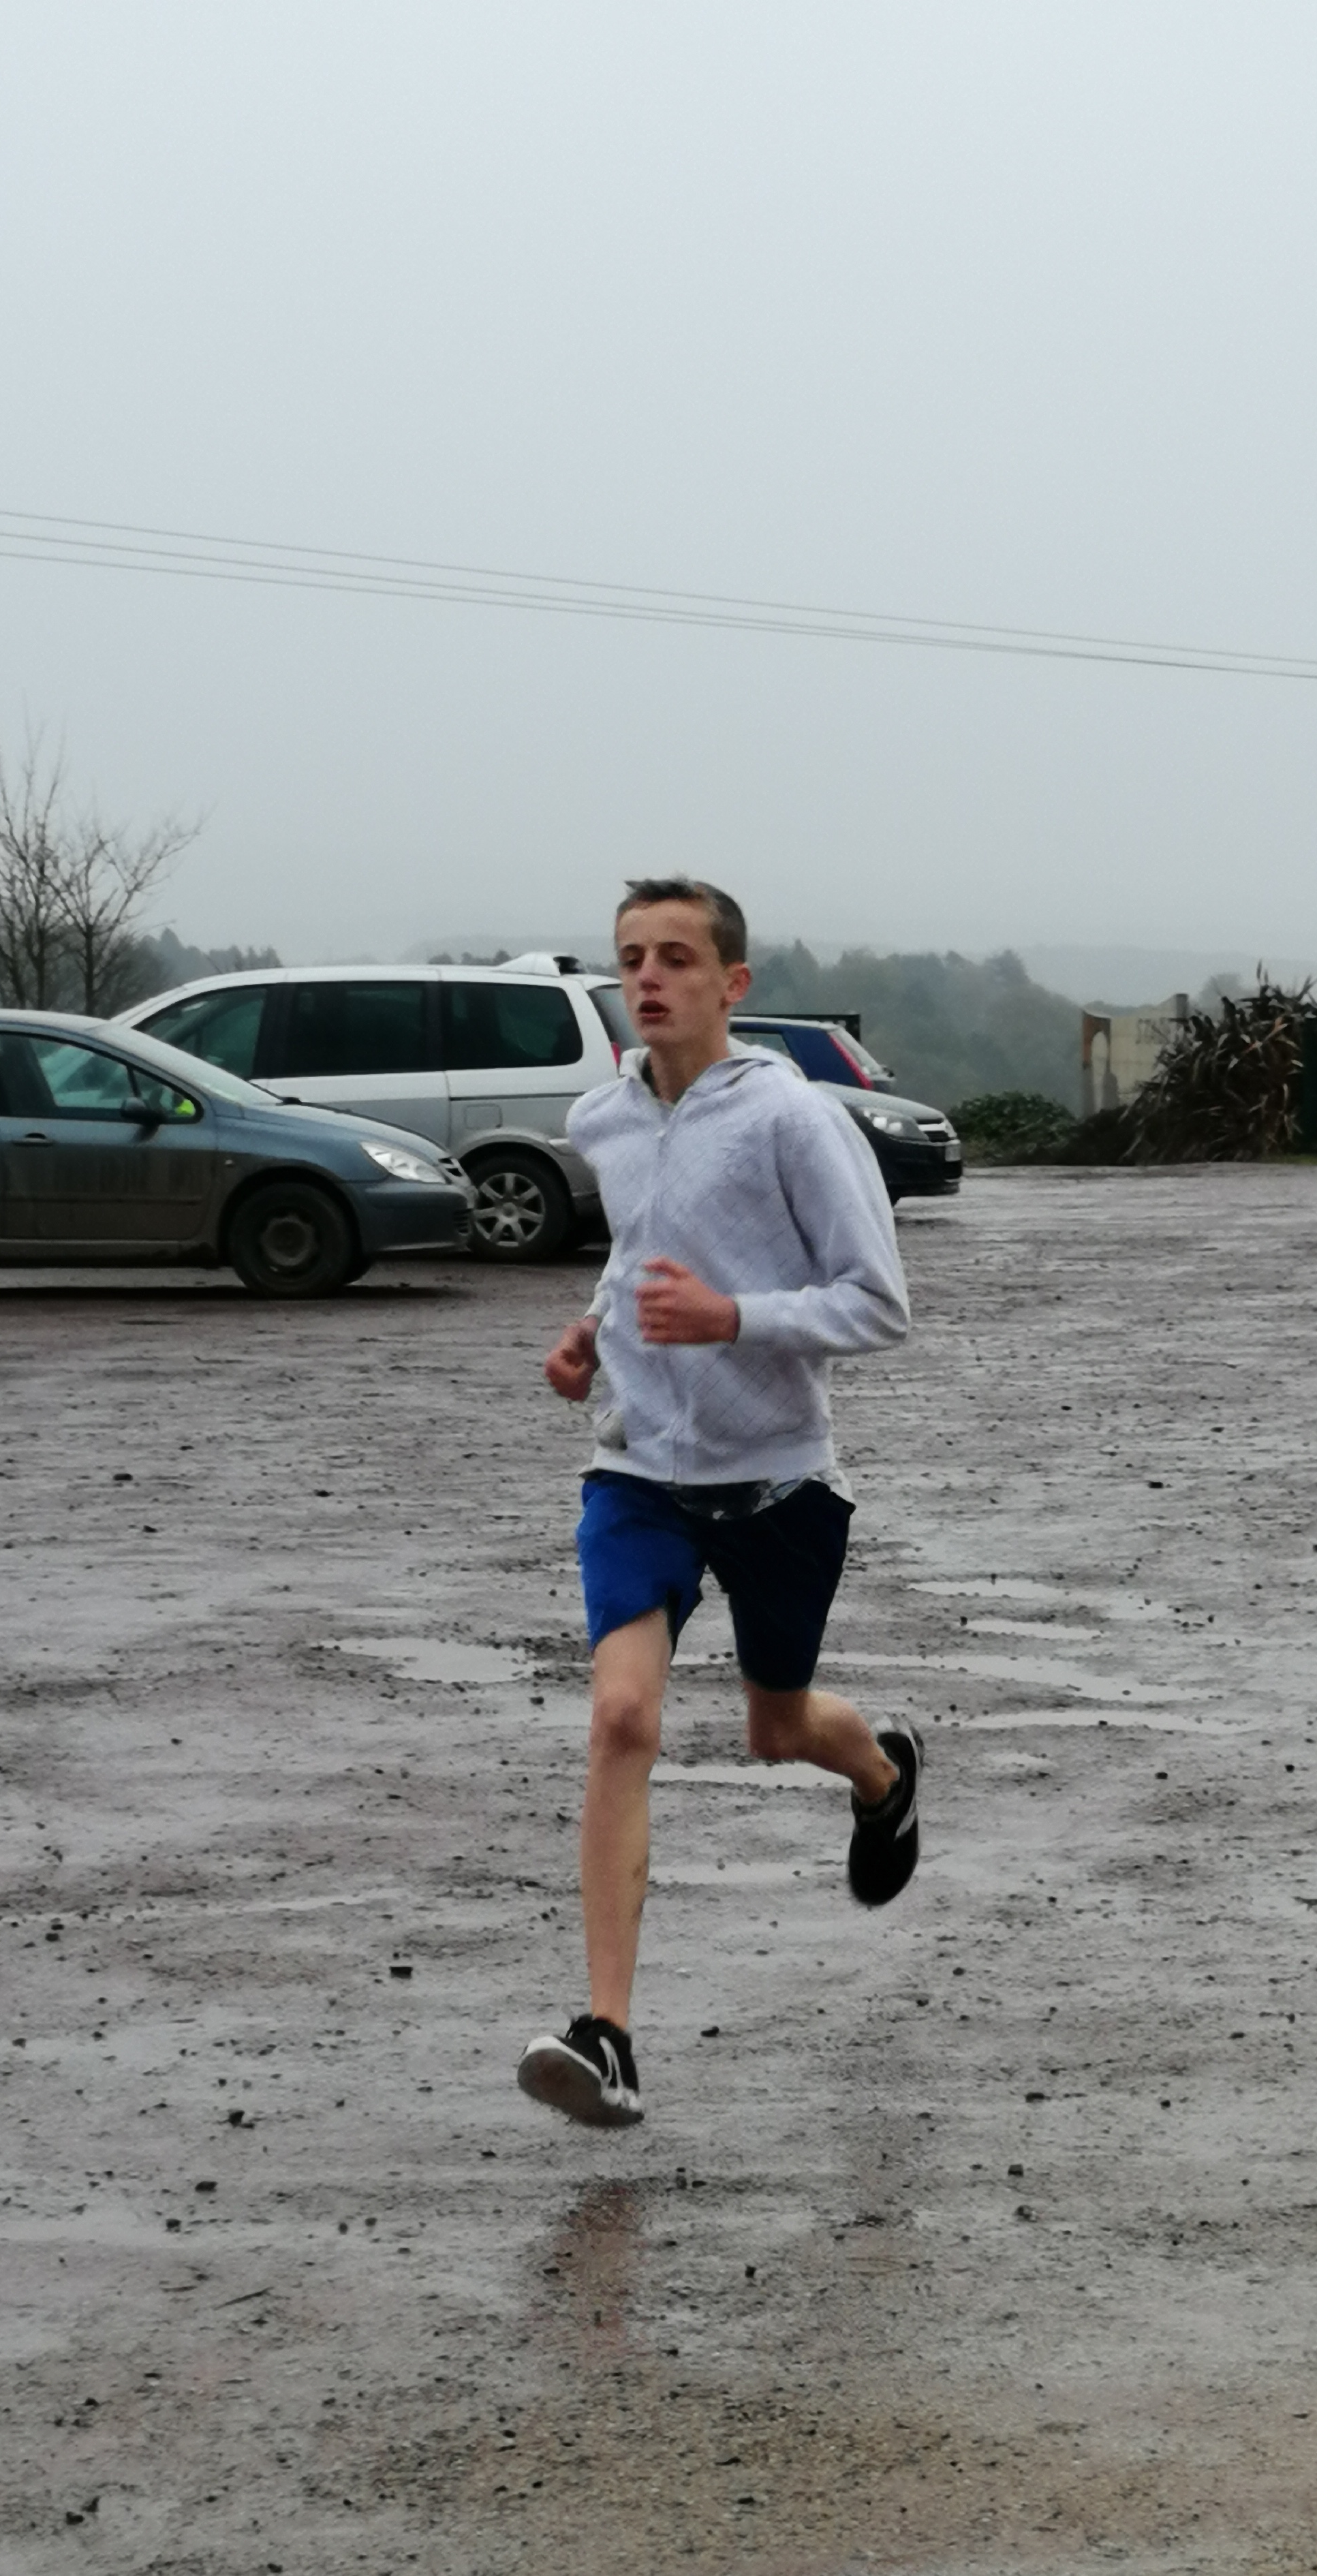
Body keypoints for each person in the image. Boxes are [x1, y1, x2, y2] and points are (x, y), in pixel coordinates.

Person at [521, 876, 922, 2130]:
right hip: (639, 1472)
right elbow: (636, 1252)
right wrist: (591, 1332)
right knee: (621, 1718)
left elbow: (878, 1303)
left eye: (677, 958)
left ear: (732, 984)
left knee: (775, 1727)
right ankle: (609, 2038)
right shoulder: (603, 1115)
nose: (648, 978)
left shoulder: (794, 1119)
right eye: (632, 957)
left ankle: (882, 1776)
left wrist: (731, 1318)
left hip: (779, 1477)